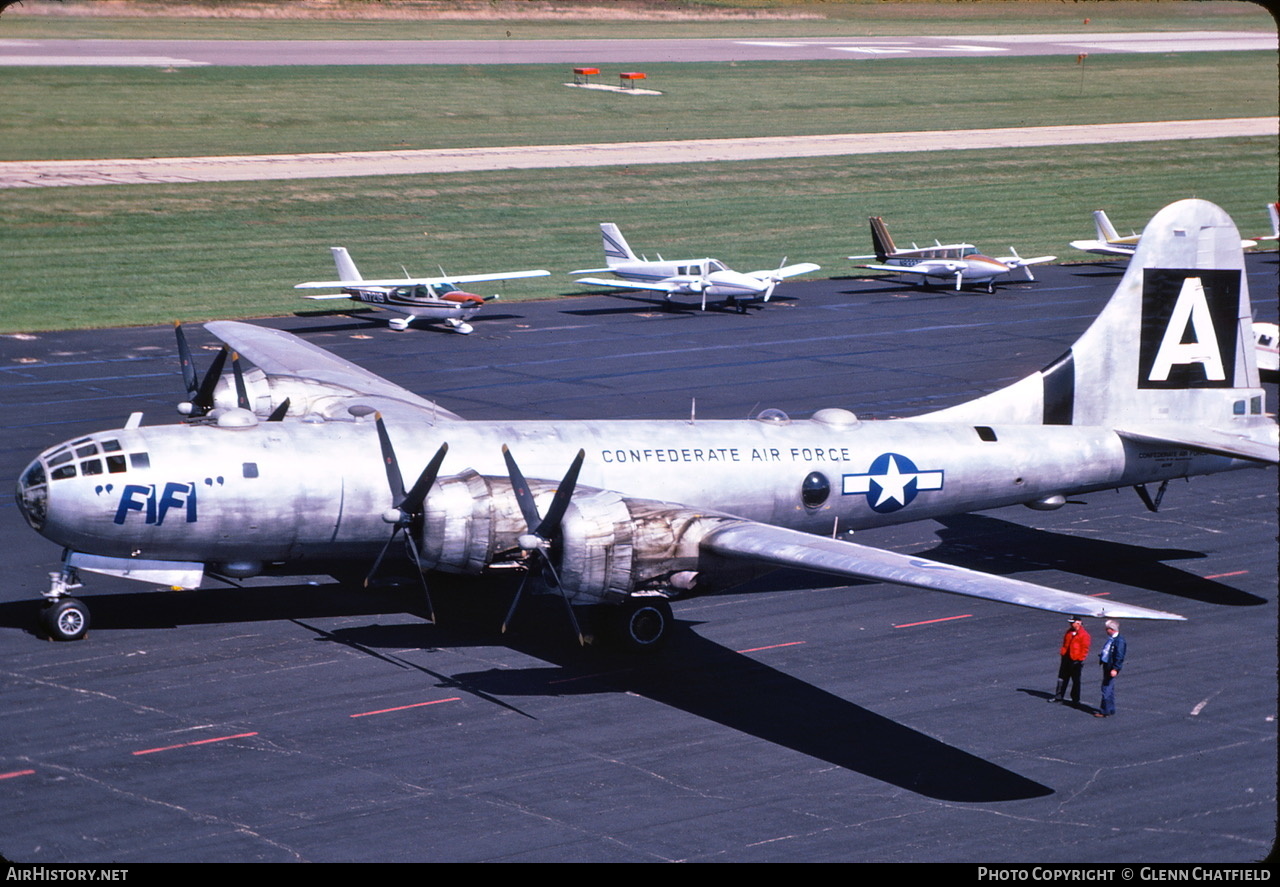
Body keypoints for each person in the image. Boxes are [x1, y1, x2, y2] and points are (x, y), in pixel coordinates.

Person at [1051, 616, 1090, 706]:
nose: (1071, 624)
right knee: (1061, 678)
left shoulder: (1084, 635)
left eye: (1073, 622)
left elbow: (1085, 649)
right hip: (1066, 658)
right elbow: (1065, 643)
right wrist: (1063, 653)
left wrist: (1079, 659)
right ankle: (1059, 697)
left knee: (1076, 681)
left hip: (1076, 660)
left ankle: (1075, 700)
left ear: (1079, 623)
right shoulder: (1069, 632)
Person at [1095, 620, 1126, 718]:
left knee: (1106, 688)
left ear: (1111, 629)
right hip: (1107, 665)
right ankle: (1110, 709)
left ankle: (1105, 710)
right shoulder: (1112, 639)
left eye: (1107, 629)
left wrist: (1115, 668)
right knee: (1109, 688)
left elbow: (1119, 656)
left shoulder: (1119, 641)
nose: (1105, 631)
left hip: (1110, 667)